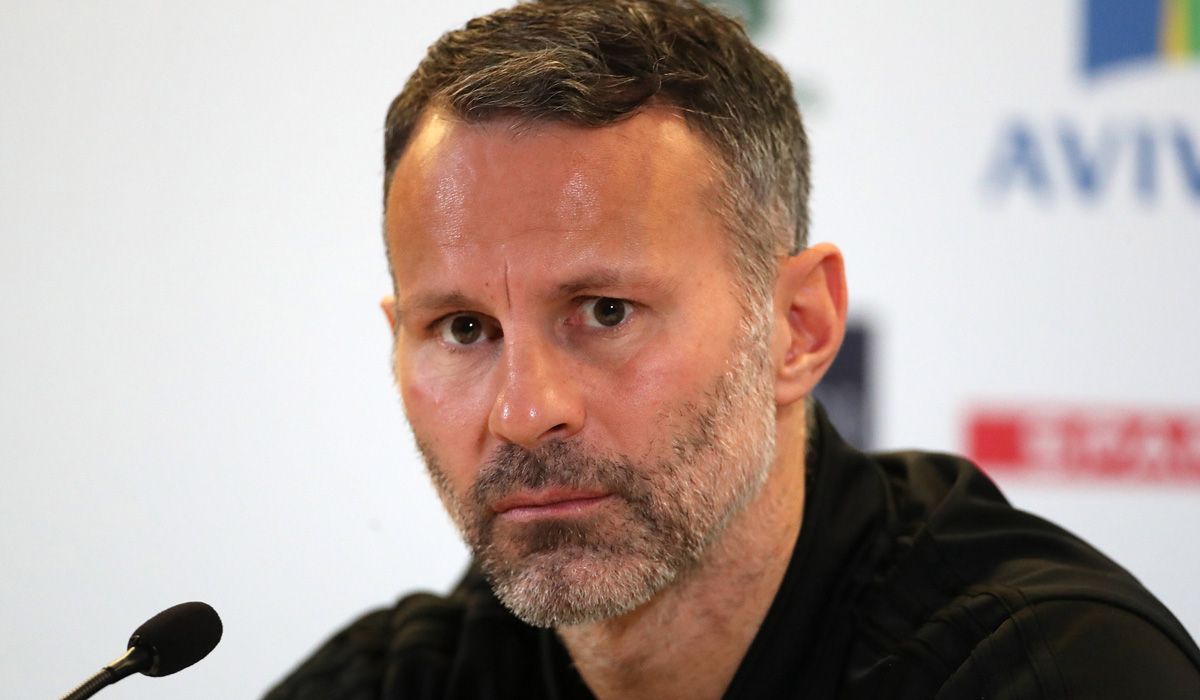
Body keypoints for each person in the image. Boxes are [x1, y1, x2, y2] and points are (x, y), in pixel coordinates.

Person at [265, 1, 1200, 697]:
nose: (525, 410)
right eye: (464, 329)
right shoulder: (386, 685)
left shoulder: (1049, 673)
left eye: (604, 312)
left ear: (798, 327)